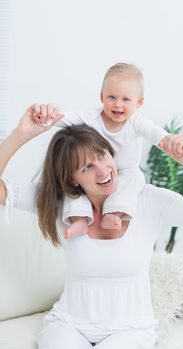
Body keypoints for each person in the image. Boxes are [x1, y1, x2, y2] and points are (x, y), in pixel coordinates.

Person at [1, 104, 183, 349]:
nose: (102, 171)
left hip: (130, 330)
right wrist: (22, 134)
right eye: (86, 167)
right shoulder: (60, 202)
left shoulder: (148, 200)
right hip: (69, 323)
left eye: (102, 155)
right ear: (72, 179)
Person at [33, 63, 173, 240]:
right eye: (111, 97)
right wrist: (47, 117)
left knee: (135, 179)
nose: (117, 105)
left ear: (139, 102)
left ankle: (114, 213)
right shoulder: (91, 117)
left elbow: (153, 132)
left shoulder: (136, 122)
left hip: (126, 171)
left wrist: (168, 141)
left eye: (125, 99)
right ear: (101, 96)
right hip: (96, 174)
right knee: (76, 189)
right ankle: (79, 219)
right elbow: (67, 118)